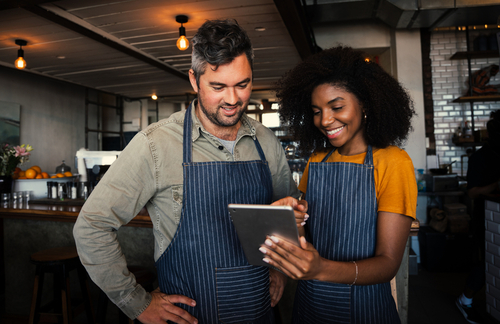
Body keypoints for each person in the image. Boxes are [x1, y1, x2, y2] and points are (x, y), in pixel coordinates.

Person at [73, 19, 301, 324]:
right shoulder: (154, 145)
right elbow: (91, 227)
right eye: (218, 87)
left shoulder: (265, 141)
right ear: (194, 80)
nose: (233, 100)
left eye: (242, 84)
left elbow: (288, 215)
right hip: (189, 316)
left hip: (258, 311)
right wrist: (136, 302)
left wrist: (279, 266)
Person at [258, 46, 418, 323]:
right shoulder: (317, 159)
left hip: (365, 310)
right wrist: (289, 217)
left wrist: (320, 269)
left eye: (337, 106)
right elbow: (304, 234)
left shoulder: (393, 162)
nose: (325, 120)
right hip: (309, 306)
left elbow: (388, 264)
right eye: (317, 111)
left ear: (365, 104)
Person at [456, 110, 500, 324]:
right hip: (486, 218)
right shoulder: (479, 158)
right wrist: (496, 185)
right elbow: (472, 192)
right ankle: (465, 300)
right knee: (486, 262)